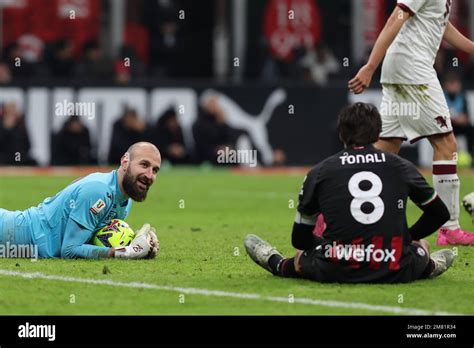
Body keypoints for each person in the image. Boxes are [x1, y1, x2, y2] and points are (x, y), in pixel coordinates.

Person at [245, 103, 454, 284]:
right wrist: (408, 237)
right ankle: (430, 265)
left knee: (302, 257)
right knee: (422, 246)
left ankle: (276, 262)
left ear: (341, 133)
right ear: (378, 133)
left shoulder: (319, 172)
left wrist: (326, 246)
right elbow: (440, 214)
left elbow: (300, 240)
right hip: (393, 265)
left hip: (336, 266)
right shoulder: (401, 166)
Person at [348, 0, 474, 245]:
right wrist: (370, 66)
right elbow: (395, 17)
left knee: (385, 151)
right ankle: (449, 229)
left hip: (400, 70)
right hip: (413, 70)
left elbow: (442, 25)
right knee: (446, 144)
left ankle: (332, 213)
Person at [0, 142, 160, 259]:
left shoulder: (125, 199)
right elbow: (69, 250)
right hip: (11, 232)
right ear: (125, 162)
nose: (149, 175)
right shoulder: (99, 190)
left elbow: (96, 237)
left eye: (155, 170)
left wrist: (137, 242)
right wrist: (126, 252)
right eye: (144, 165)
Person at [443, 72, 473, 158]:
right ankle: (445, 157)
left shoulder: (462, 97)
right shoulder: (442, 97)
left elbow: (466, 116)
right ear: (446, 85)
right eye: (450, 84)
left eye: (455, 83)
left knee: (470, 129)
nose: (453, 86)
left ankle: (470, 156)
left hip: (459, 126)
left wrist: (463, 119)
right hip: (447, 126)